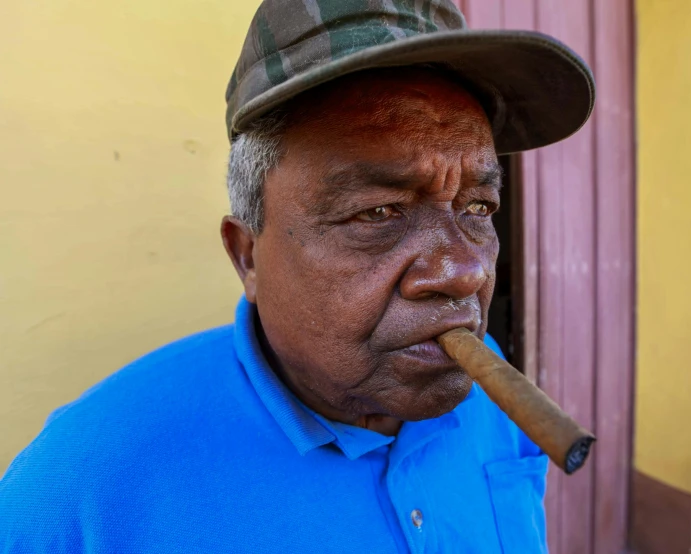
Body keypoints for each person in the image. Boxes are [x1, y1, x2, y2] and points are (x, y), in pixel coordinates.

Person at [0, 1, 594, 552]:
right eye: (378, 213)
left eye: (476, 208)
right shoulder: (80, 488)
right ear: (248, 255)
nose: (464, 271)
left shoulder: (496, 398)